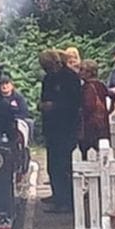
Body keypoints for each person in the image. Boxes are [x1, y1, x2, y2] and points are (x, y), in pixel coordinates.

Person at [38, 49, 82, 213]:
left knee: (64, 165)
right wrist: (42, 106)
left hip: (66, 126)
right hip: (52, 127)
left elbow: (75, 103)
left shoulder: (70, 77)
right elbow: (44, 98)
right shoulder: (48, 78)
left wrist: (54, 106)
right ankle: (57, 195)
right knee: (53, 165)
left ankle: (66, 201)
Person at [78, 60, 111, 154]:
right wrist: (110, 110)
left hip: (90, 125)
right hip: (102, 122)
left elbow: (89, 106)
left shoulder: (88, 87)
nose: (80, 72)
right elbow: (111, 96)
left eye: (82, 70)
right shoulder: (101, 85)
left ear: (89, 72)